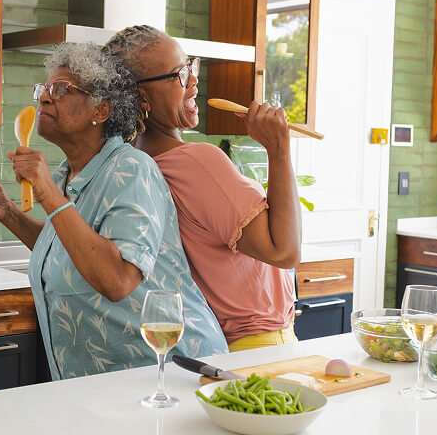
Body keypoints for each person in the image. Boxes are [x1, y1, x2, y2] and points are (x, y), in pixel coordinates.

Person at [0, 42, 227, 379]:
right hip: (108, 385)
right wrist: (9, 213)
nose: (44, 98)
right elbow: (69, 250)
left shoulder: (132, 169)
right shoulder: (66, 176)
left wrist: (45, 193)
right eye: (44, 89)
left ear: (101, 111)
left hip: (173, 374)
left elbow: (117, 280)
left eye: (61, 89)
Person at [104, 26, 302, 352]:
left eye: (191, 66)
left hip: (216, 345)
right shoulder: (196, 162)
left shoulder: (132, 165)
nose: (194, 80)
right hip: (259, 347)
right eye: (180, 74)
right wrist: (278, 149)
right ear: (141, 97)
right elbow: (284, 251)